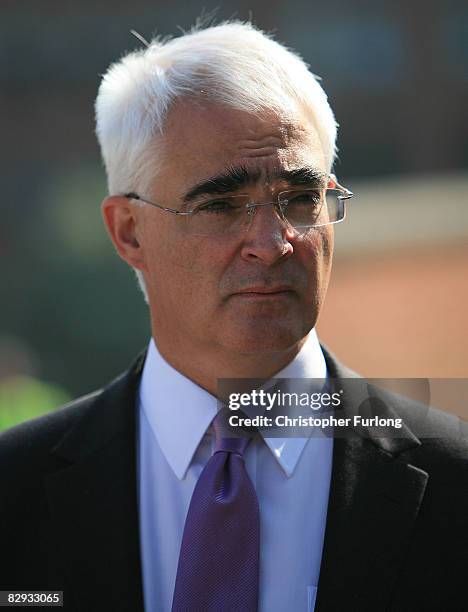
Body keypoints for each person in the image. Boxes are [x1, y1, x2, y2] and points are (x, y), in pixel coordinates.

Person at [0, 21, 466, 612]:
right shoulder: (13, 494)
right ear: (128, 232)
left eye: (301, 199)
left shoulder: (455, 484)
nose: (273, 243)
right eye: (220, 204)